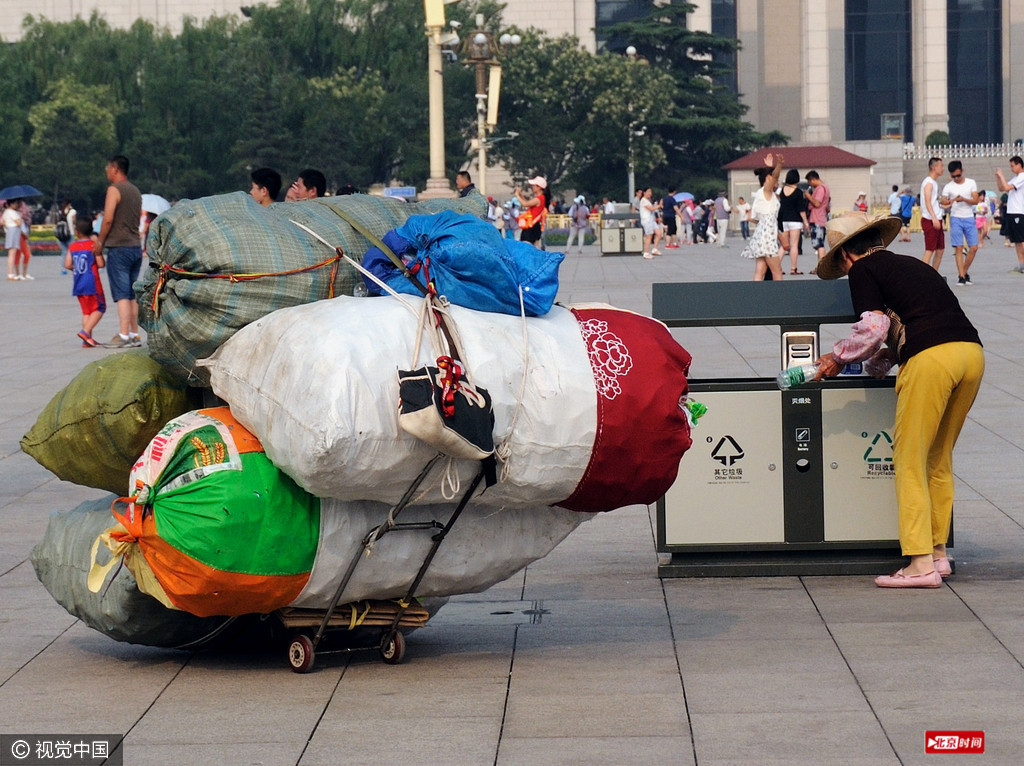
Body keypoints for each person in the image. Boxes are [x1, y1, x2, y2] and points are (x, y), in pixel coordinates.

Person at [813, 212, 983, 588]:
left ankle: (919, 564)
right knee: (937, 459)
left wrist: (837, 356)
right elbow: (901, 331)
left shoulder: (862, 271)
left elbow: (874, 328)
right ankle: (938, 555)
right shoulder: (909, 265)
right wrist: (872, 365)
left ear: (845, 255)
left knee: (908, 460)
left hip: (932, 360)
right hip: (970, 354)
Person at [94, 154, 143, 348]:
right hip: (135, 247)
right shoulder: (135, 191)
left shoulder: (114, 190)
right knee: (131, 293)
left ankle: (123, 335)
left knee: (122, 293)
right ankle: (134, 334)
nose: (107, 172)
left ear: (114, 169)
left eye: (107, 169)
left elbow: (108, 218)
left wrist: (100, 242)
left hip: (119, 247)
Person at [740, 152, 784, 281]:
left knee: (760, 270)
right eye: (772, 179)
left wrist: (769, 168)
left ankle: (756, 295)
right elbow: (774, 177)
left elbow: (751, 218)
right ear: (767, 180)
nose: (776, 182)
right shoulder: (766, 191)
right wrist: (779, 164)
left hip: (760, 235)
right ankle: (780, 297)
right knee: (777, 271)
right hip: (768, 237)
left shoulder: (761, 194)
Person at [64, 216, 105, 347]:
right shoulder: (92, 245)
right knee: (100, 308)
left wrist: (77, 268)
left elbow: (67, 264)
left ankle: (87, 340)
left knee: (87, 312)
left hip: (78, 283)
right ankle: (86, 332)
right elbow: (100, 264)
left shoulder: (73, 246)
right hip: (92, 282)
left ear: (77, 232)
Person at [941, 160, 980, 285]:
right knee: (958, 247)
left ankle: (963, 271)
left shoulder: (970, 183)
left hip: (968, 217)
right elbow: (943, 201)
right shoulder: (949, 186)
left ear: (962, 171)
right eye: (953, 176)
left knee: (973, 247)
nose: (956, 178)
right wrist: (952, 200)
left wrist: (963, 199)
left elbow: (976, 200)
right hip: (956, 217)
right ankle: (962, 276)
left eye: (958, 175)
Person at [994, 156, 1024, 273]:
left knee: (1021, 239)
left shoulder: (1022, 177)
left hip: (1019, 212)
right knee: (1016, 240)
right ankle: (1021, 265)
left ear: (1019, 165)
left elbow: (1006, 186)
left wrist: (1002, 176)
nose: (1011, 168)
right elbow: (1003, 188)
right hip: (1012, 212)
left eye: (1012, 166)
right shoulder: (1016, 178)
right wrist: (998, 178)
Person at [777, 170, 808, 272]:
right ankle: (793, 268)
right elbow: (801, 209)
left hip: (785, 220)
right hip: (795, 221)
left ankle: (777, 267)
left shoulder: (783, 191)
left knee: (784, 245)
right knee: (794, 245)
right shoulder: (798, 192)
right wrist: (805, 222)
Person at [920, 157, 946, 270]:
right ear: (934, 167)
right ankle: (922, 274)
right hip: (930, 219)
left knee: (940, 249)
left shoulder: (934, 183)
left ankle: (934, 273)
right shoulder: (928, 183)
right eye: (941, 166)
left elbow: (934, 201)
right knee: (930, 249)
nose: (943, 168)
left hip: (937, 218)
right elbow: (927, 201)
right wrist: (934, 218)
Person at [514, 176, 548, 248]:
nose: (532, 187)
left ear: (539, 187)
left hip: (531, 226)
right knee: (536, 246)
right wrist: (520, 195)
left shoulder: (539, 198)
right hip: (535, 226)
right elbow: (527, 203)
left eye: (534, 185)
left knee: (526, 246)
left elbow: (525, 204)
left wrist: (517, 195)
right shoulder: (540, 198)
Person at [637, 187, 662, 259]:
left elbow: (652, 211)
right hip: (647, 220)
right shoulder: (643, 200)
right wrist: (659, 206)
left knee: (659, 234)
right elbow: (651, 209)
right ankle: (646, 253)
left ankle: (654, 249)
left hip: (652, 220)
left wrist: (657, 218)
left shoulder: (648, 200)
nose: (650, 193)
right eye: (648, 192)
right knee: (649, 236)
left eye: (650, 192)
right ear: (644, 193)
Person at [4, 198, 23, 281]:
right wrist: (20, 217)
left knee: (12, 253)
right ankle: (10, 274)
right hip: (13, 230)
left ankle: (11, 273)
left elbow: (2, 222)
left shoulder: (6, 212)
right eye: (15, 203)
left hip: (11, 230)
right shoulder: (11, 212)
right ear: (11, 204)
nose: (16, 205)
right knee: (12, 253)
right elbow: (19, 223)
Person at [56, 199, 77, 273]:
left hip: (60, 235)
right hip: (70, 234)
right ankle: (73, 267)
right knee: (72, 251)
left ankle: (63, 269)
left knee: (64, 252)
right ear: (69, 204)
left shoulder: (60, 211)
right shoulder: (73, 211)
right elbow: (74, 222)